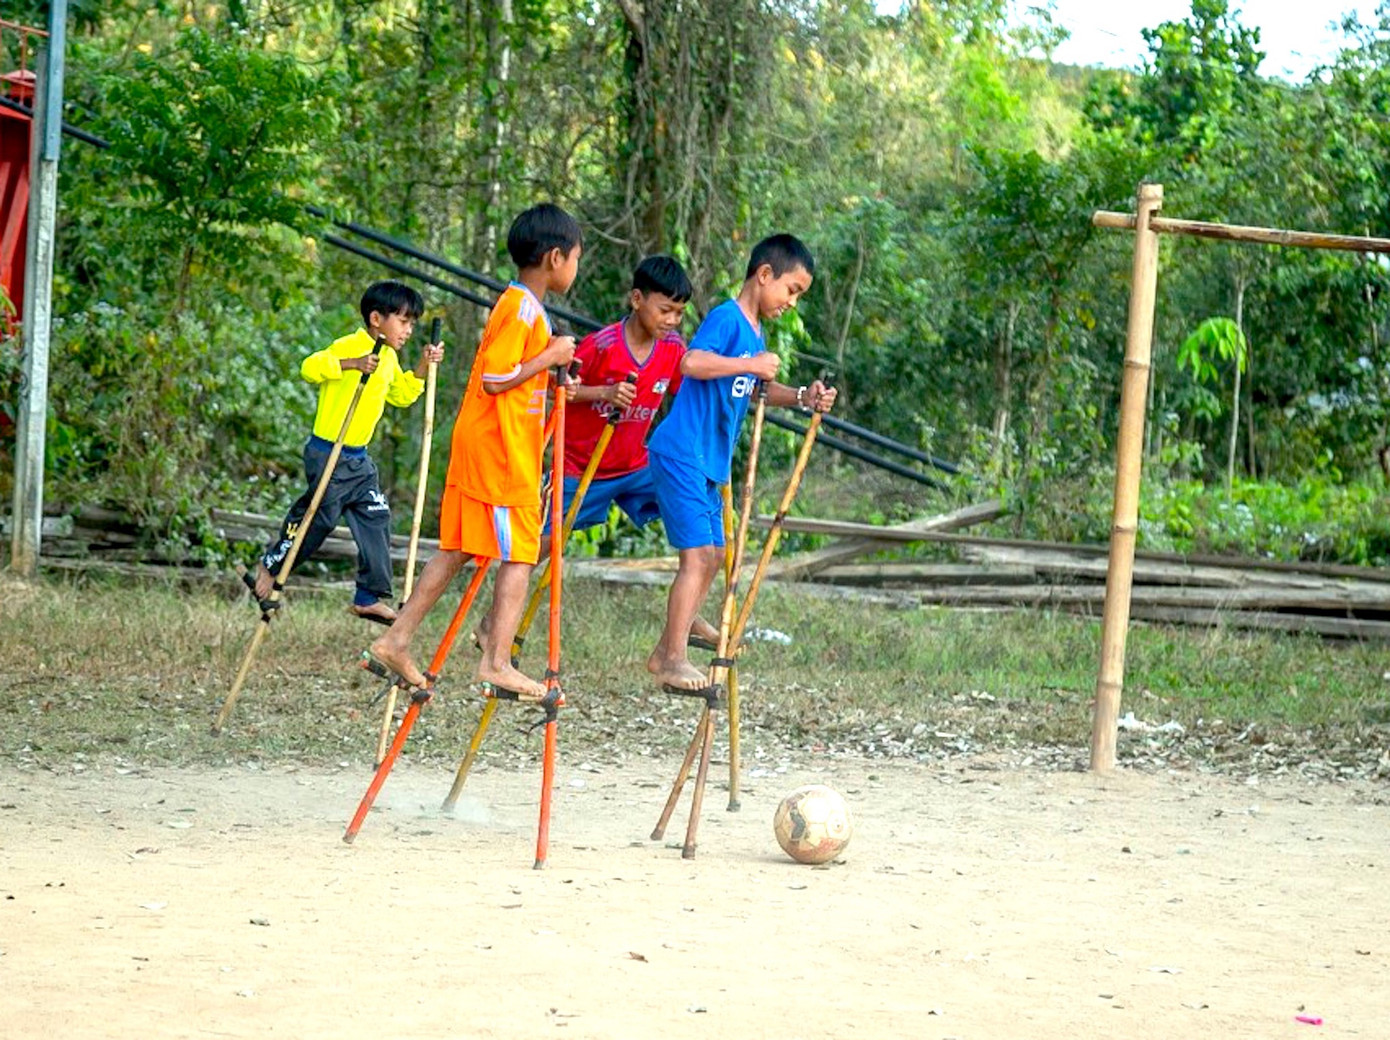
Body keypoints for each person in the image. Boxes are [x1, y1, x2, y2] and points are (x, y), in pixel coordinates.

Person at [368, 203, 581, 699]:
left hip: (493, 446)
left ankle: (396, 638)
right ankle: (496, 659)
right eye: (575, 257)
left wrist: (553, 383)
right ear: (554, 257)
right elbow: (494, 379)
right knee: (522, 553)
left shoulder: (524, 307)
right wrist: (549, 356)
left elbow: (515, 379)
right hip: (502, 455)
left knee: (459, 546)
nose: (575, 267)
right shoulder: (524, 309)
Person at [475, 253, 722, 651]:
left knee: (695, 513)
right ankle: (492, 624)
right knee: (541, 542)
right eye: (665, 310)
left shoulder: (674, 349)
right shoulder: (602, 346)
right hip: (579, 464)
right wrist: (603, 392)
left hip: (635, 465)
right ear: (637, 299)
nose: (672, 320)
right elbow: (564, 390)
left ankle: (686, 619)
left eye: (679, 312)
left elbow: (685, 394)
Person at [644, 233, 836, 690]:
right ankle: (671, 658)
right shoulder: (729, 319)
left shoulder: (755, 334)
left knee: (714, 555)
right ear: (764, 275)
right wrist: (749, 366)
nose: (792, 302)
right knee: (696, 557)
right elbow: (691, 363)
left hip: (710, 463)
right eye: (792, 290)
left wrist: (803, 397)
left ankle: (679, 630)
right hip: (682, 451)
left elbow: (756, 390)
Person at [254, 280, 443, 624]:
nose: (409, 330)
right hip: (328, 452)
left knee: (376, 516)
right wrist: (352, 364)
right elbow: (309, 368)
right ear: (376, 319)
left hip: (358, 459)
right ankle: (271, 566)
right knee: (318, 517)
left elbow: (401, 394)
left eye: (413, 324)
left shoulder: (388, 357)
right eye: (403, 322)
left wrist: (421, 368)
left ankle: (368, 597)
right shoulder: (349, 346)